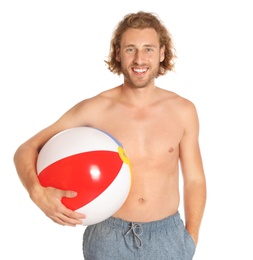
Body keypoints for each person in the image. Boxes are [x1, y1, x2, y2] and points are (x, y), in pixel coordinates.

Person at [13, 11, 206, 260]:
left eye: (148, 49)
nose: (139, 59)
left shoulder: (183, 110)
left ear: (161, 53)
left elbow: (194, 180)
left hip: (167, 237)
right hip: (108, 236)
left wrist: (190, 239)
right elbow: (26, 149)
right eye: (130, 49)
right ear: (118, 53)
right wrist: (37, 193)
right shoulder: (95, 109)